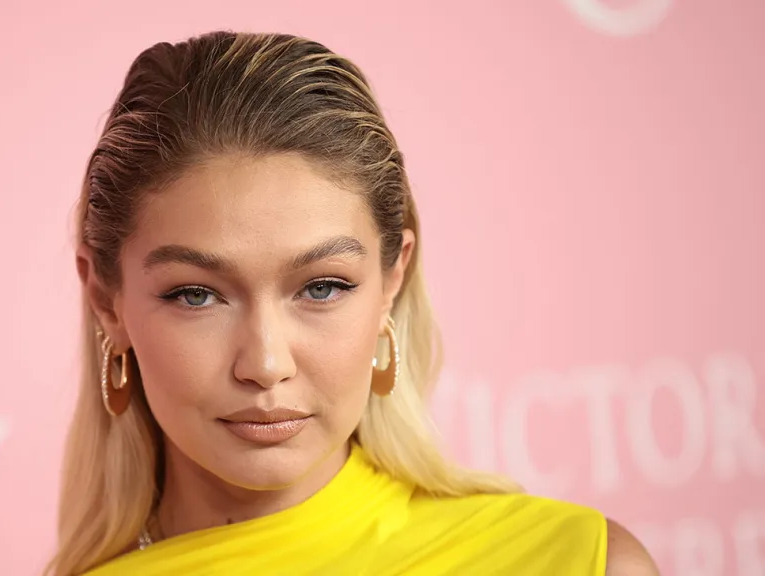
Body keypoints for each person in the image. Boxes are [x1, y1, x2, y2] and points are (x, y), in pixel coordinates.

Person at [47, 30, 659, 575]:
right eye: (197, 294)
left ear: (393, 279)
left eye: (322, 287)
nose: (265, 363)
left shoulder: (577, 562)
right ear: (107, 301)